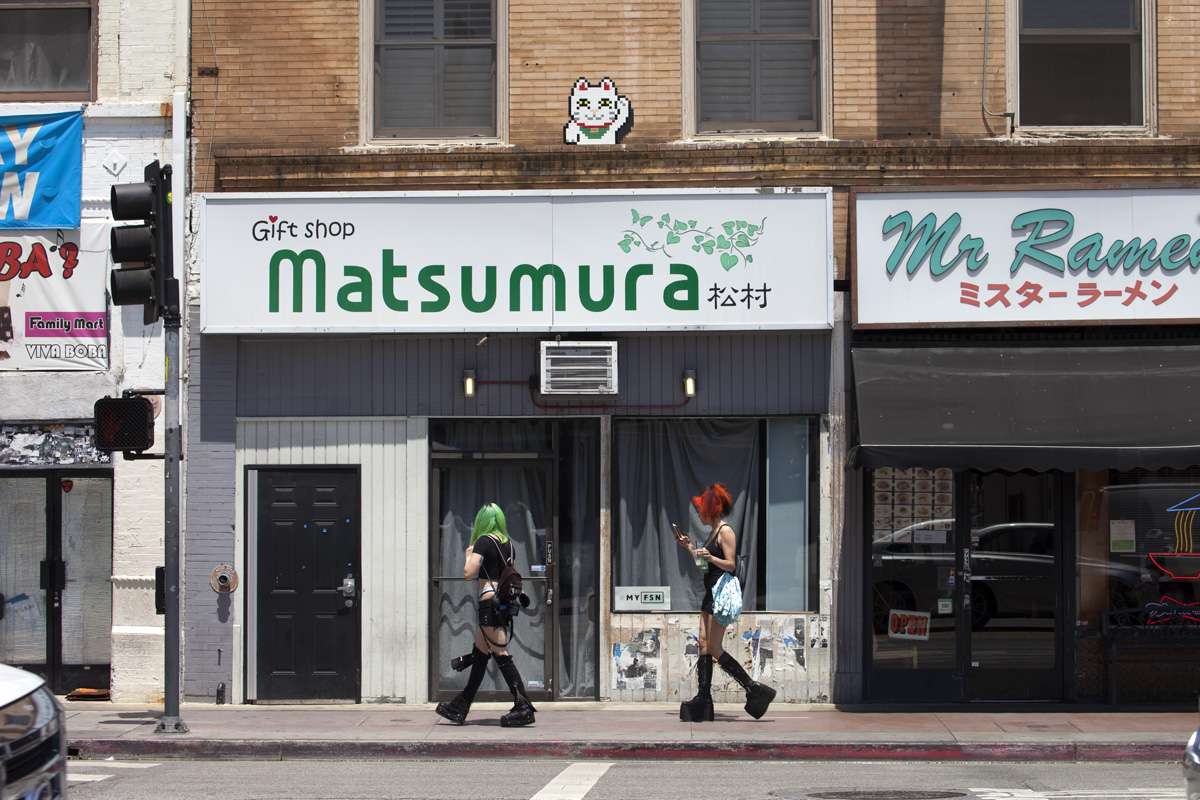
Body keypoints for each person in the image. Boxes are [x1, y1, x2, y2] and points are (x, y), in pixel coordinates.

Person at [673, 482, 776, 721]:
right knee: (703, 643)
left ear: (710, 510)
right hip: (709, 594)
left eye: (701, 510)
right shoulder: (712, 533)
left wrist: (710, 557)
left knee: (714, 647)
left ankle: (753, 688)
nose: (699, 514)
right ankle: (704, 698)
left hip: (720, 596)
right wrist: (689, 546)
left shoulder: (725, 531)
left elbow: (730, 565)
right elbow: (703, 566)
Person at [435, 502, 536, 727]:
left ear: (482, 521)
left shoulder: (483, 541)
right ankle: (460, 706)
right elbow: (512, 572)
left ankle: (524, 707)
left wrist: (468, 556)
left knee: (501, 654)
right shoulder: (509, 544)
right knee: (480, 656)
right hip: (502, 603)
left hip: (489, 603)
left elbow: (469, 573)